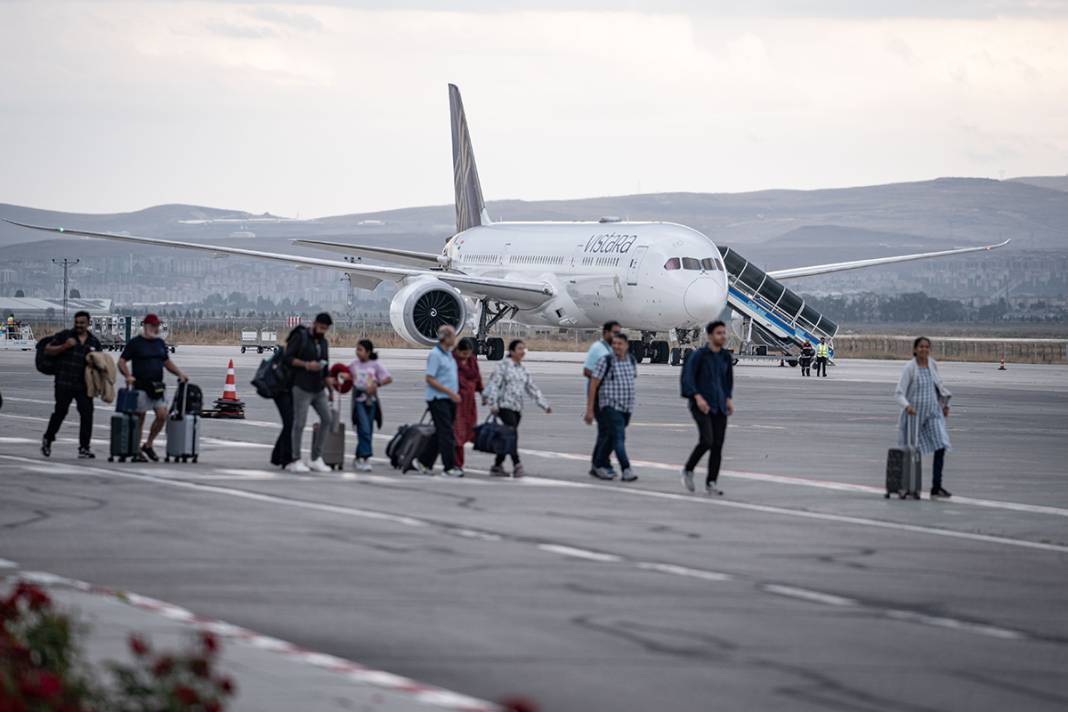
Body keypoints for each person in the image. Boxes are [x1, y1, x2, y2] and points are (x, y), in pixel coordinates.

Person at [117, 314, 188, 463]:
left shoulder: (160, 343)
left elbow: (166, 362)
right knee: (140, 417)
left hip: (157, 387)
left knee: (162, 415)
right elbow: (122, 361)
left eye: (157, 326)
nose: (156, 329)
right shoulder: (135, 343)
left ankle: (148, 444)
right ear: (145, 326)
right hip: (141, 386)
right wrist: (128, 375)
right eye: (153, 326)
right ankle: (136, 449)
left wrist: (180, 373)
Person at [679, 320, 734, 496]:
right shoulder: (699, 356)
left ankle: (711, 482)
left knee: (718, 445)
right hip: (701, 405)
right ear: (710, 336)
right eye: (719, 333)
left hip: (719, 405)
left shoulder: (725, 357)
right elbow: (687, 378)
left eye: (724, 333)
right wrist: (697, 396)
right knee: (707, 440)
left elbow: (727, 380)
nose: (723, 336)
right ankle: (688, 469)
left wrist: (728, 399)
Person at [483, 339, 552, 477]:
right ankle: (517, 465)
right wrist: (493, 404)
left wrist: (544, 405)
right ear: (512, 351)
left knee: (507, 437)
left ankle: (497, 465)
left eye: (523, 349)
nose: (522, 352)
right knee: (512, 435)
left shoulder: (522, 369)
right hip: (504, 407)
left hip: (516, 409)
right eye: (520, 349)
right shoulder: (503, 366)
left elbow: (532, 389)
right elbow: (493, 385)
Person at [895, 336, 953, 498]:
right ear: (915, 349)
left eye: (927, 347)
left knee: (941, 444)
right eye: (921, 347)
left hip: (933, 412)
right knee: (913, 450)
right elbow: (899, 393)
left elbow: (939, 387)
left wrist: (945, 405)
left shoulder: (932, 365)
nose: (924, 350)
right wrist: (907, 406)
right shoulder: (909, 368)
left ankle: (936, 486)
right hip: (914, 414)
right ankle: (910, 486)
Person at [41, 311, 103, 459]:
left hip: (84, 385)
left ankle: (84, 448)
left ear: (88, 323)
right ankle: (48, 439)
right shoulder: (65, 336)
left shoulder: (94, 342)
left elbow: (100, 363)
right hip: (64, 382)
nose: (79, 325)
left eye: (82, 323)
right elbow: (48, 350)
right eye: (77, 322)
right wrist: (64, 346)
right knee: (61, 412)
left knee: (87, 414)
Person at [283, 313, 336, 473]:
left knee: (327, 419)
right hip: (301, 387)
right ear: (314, 323)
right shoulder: (300, 337)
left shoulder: (324, 343)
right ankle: (295, 459)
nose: (322, 331)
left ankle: (315, 458)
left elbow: (325, 368)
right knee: (299, 423)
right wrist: (306, 365)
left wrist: (331, 389)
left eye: (325, 329)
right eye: (321, 328)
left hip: (318, 388)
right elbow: (288, 358)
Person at [585, 332, 638, 482]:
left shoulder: (631, 361)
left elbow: (629, 383)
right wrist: (590, 408)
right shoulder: (605, 361)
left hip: (626, 408)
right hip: (609, 406)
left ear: (627, 346)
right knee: (619, 438)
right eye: (614, 344)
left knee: (610, 437)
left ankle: (598, 464)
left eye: (619, 344)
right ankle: (626, 468)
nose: (616, 346)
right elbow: (594, 384)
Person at [417, 324, 464, 477]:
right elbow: (430, 378)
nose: (455, 339)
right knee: (447, 434)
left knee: (440, 433)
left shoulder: (448, 354)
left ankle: (424, 462)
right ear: (445, 338)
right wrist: (450, 392)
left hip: (449, 400)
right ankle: (448, 467)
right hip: (438, 399)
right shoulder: (435, 355)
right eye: (453, 336)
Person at [583, 321, 622, 478]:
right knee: (609, 432)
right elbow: (587, 371)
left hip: (610, 397)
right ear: (605, 333)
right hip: (599, 395)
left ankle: (599, 463)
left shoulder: (611, 349)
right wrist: (590, 408)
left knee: (607, 432)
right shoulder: (598, 349)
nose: (616, 335)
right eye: (614, 332)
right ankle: (600, 464)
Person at [349, 338, 392, 471]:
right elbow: (348, 377)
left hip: (371, 400)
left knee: (367, 430)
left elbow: (388, 378)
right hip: (358, 400)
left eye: (360, 350)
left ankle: (358, 456)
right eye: (356, 349)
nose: (357, 352)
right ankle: (365, 458)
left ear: (368, 352)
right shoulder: (354, 365)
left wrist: (377, 384)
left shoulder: (375, 365)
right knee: (364, 428)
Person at [452, 337, 483, 471]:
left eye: (468, 354)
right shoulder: (451, 362)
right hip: (456, 402)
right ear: (458, 351)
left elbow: (477, 379)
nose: (465, 356)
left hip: (469, 403)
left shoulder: (472, 360)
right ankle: (457, 464)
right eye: (463, 354)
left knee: (469, 431)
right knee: (457, 434)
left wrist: (483, 393)